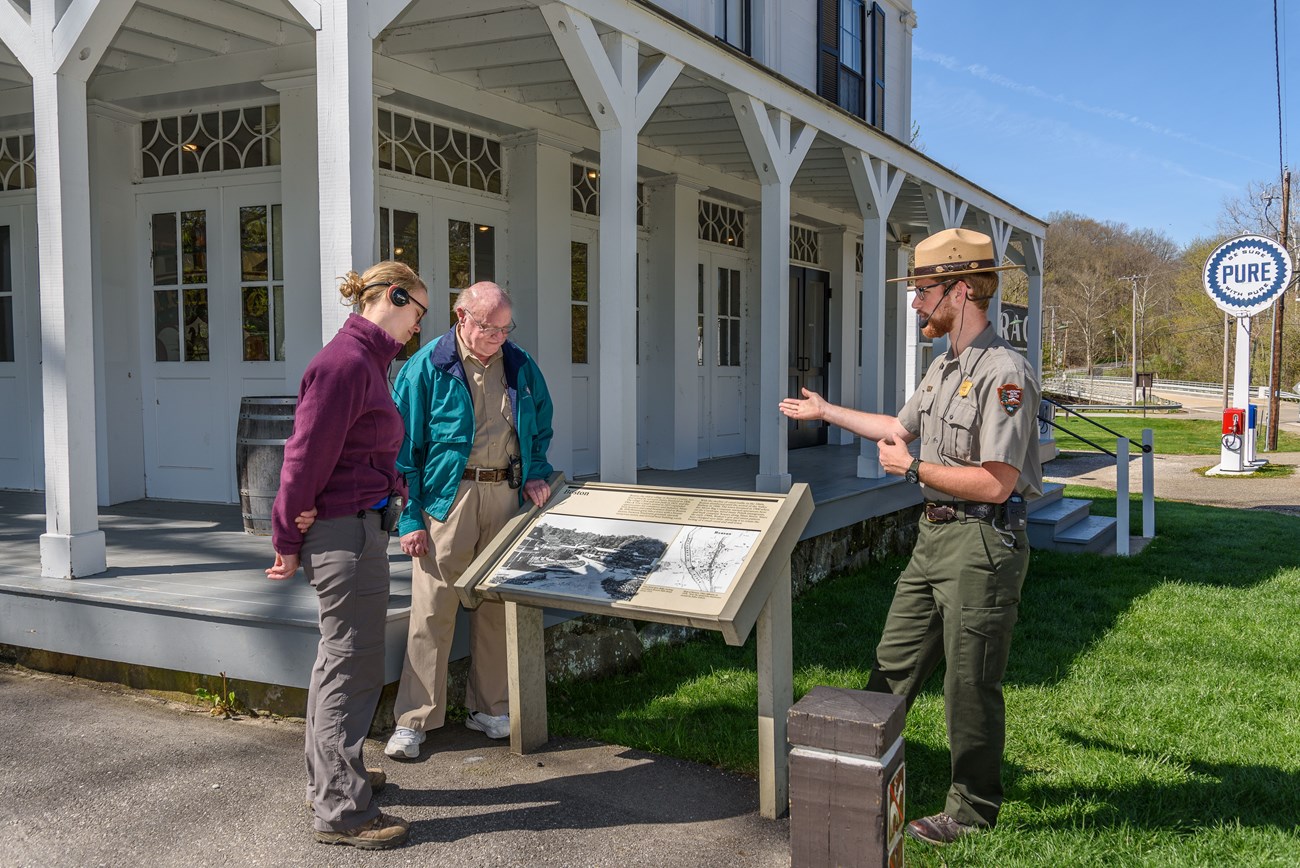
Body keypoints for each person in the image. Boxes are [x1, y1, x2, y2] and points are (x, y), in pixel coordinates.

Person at [779, 228, 1042, 846]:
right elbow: (895, 427)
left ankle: (973, 810)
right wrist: (827, 412)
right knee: (891, 663)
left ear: (961, 289)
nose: (916, 303)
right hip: (934, 538)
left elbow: (998, 482)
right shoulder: (944, 367)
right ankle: (857, 782)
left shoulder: (1004, 373)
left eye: (923, 290)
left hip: (983, 545)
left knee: (969, 683)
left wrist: (915, 470)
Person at [267, 261, 429, 850]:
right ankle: (341, 809)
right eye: (419, 311)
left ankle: (341, 775)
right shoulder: (344, 364)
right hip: (344, 536)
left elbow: (358, 451)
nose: (418, 327)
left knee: (345, 663)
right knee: (348, 665)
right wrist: (288, 537)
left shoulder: (369, 363)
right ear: (394, 296)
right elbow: (303, 456)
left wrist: (390, 489)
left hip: (360, 528)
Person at [385, 281, 554, 759]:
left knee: (496, 606)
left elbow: (539, 425)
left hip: (503, 494)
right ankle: (415, 720)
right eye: (488, 327)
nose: (498, 336)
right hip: (446, 500)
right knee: (432, 609)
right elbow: (402, 453)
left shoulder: (519, 365)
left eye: (504, 328)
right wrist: (410, 518)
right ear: (462, 316)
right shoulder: (426, 368)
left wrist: (536, 473)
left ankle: (490, 708)